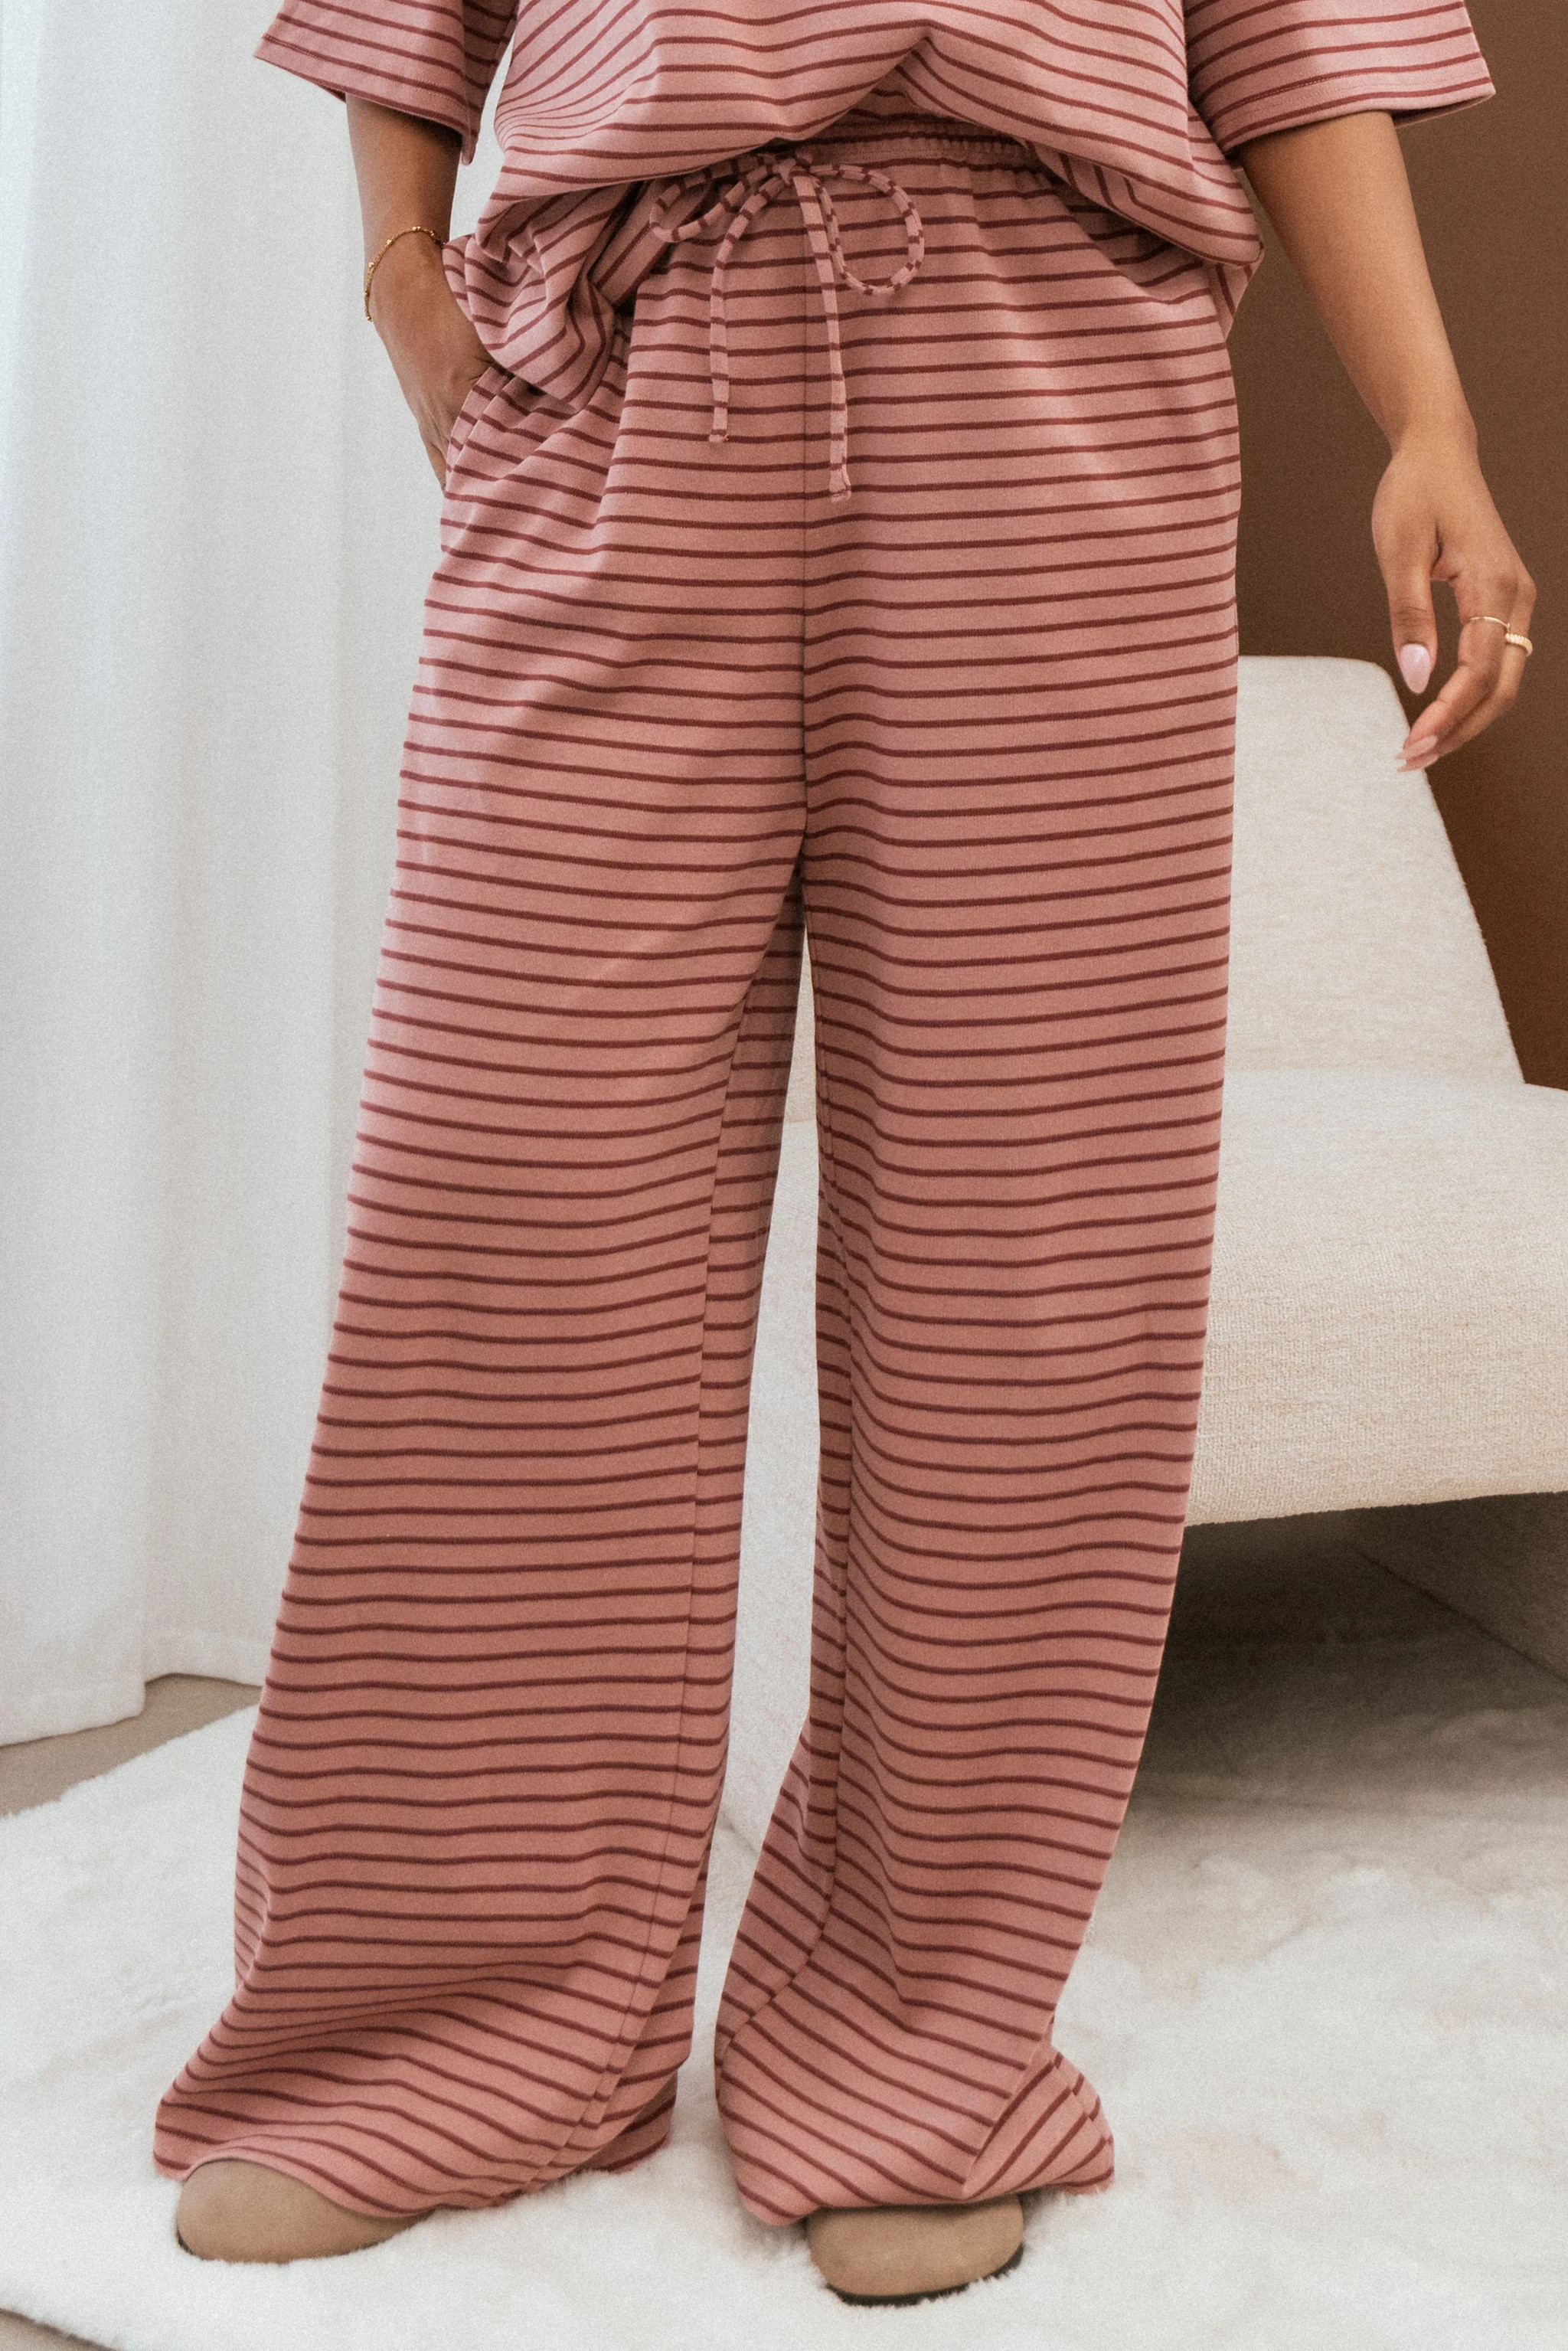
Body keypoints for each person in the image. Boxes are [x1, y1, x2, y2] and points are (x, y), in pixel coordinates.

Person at [155, 0, 1533, 2307]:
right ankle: (441, 2034)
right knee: (511, 1226)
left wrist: (1434, 421)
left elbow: (1288, 26)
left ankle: (917, 2047)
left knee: (1030, 1261)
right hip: (622, 363)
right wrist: (405, 280)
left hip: (1057, 368)